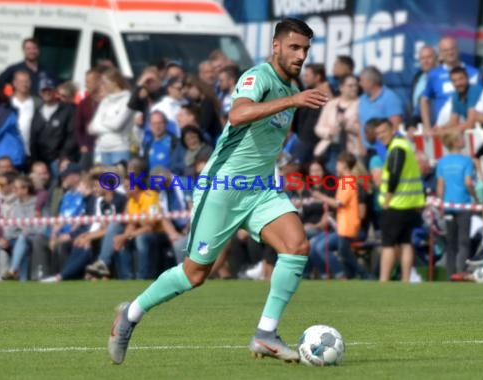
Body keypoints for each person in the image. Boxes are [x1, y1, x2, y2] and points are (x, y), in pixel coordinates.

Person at [107, 18, 329, 364]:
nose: (300, 55)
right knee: (194, 274)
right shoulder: (258, 77)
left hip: (259, 188)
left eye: (305, 49)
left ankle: (265, 334)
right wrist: (292, 102)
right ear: (276, 46)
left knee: (297, 246)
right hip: (222, 185)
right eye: (294, 47)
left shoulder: (290, 89)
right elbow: (238, 116)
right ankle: (130, 315)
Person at [375, 119, 425, 282]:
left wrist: (387, 200)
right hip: (410, 203)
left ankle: (384, 280)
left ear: (392, 129)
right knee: (405, 242)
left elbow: (395, 175)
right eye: (378, 133)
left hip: (397, 203)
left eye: (383, 131)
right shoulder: (403, 145)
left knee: (388, 244)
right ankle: (405, 279)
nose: (381, 136)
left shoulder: (397, 148)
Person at [436, 130, 478, 278]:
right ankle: (460, 273)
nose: (463, 140)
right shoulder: (466, 161)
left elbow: (440, 186)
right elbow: (468, 182)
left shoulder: (441, 162)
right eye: (460, 137)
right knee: (463, 242)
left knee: (451, 243)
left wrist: (441, 204)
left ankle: (450, 274)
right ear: (455, 142)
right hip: (463, 205)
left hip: (448, 205)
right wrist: (476, 197)